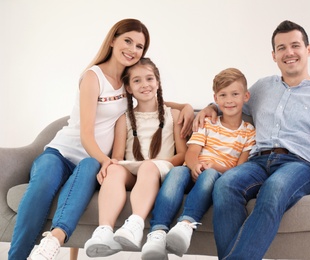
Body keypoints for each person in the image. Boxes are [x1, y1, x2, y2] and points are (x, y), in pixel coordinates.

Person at [194, 20, 310, 259]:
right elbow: (233, 101)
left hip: (301, 165)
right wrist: (211, 108)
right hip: (257, 161)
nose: (289, 52)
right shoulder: (263, 87)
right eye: (282, 48)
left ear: (309, 49)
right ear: (274, 55)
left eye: (295, 45)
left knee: (274, 189)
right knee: (225, 185)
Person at [8, 19, 192, 260]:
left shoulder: (128, 78)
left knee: (87, 168)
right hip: (63, 153)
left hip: (91, 161)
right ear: (113, 39)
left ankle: (55, 240)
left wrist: (185, 106)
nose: (133, 49)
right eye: (128, 41)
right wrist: (108, 161)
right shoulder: (93, 76)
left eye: (139, 46)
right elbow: (86, 133)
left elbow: (149, 96)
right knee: (41, 186)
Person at [141, 68, 256, 260]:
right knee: (177, 172)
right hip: (193, 170)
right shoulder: (208, 123)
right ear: (215, 99)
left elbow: (240, 168)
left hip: (216, 176)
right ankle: (158, 232)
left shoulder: (248, 131)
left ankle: (186, 223)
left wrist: (215, 167)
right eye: (223, 95)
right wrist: (194, 165)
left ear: (246, 96)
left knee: (209, 175)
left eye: (235, 94)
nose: (229, 100)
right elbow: (192, 152)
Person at [83, 57, 189, 257]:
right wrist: (109, 166)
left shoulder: (173, 115)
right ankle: (104, 231)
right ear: (129, 88)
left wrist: (156, 164)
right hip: (133, 170)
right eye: (137, 81)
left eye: (149, 79)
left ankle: (135, 224)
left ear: (157, 82)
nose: (145, 85)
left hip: (161, 170)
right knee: (114, 168)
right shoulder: (123, 119)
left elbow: (183, 155)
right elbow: (117, 156)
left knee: (148, 167)